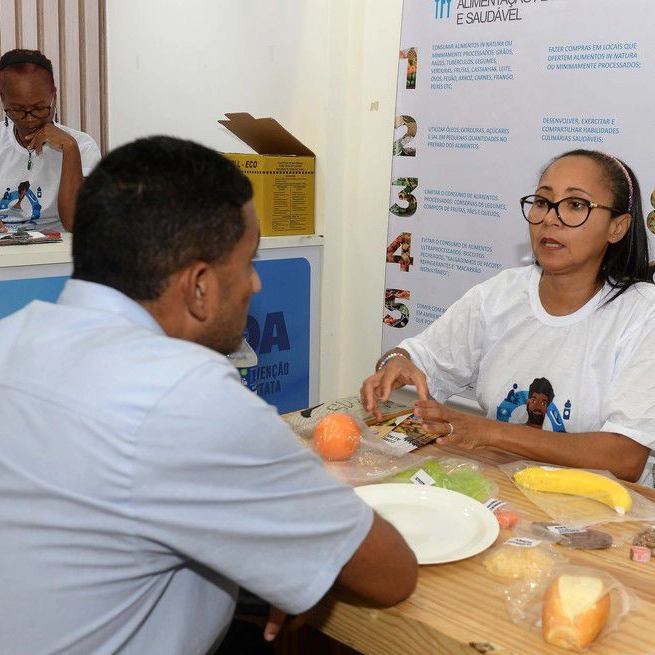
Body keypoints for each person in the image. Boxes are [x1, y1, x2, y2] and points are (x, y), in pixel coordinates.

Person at [0, 136, 417, 654]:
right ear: (199, 286)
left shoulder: (12, 337)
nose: (256, 286)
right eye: (248, 263)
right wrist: (289, 550)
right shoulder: (184, 397)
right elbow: (390, 574)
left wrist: (275, 554)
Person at [362, 149, 655, 485]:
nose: (550, 218)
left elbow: (623, 458)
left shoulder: (643, 313)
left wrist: (488, 431)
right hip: (504, 489)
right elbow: (419, 358)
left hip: (604, 511)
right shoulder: (500, 294)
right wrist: (397, 363)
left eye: (575, 205)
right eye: (543, 202)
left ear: (617, 227)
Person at [0, 48, 101, 232]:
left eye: (39, 108)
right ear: (3, 99)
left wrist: (70, 149)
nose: (29, 119)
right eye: (17, 110)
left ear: (53, 95)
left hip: (57, 254)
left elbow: (75, 223)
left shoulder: (83, 145)